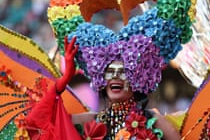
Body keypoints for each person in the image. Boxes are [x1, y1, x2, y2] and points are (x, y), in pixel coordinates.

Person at [25, 36, 181, 140]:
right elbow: (40, 121)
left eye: (123, 73)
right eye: (110, 73)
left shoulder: (152, 119)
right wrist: (63, 81)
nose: (115, 77)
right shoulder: (92, 120)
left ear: (136, 80)